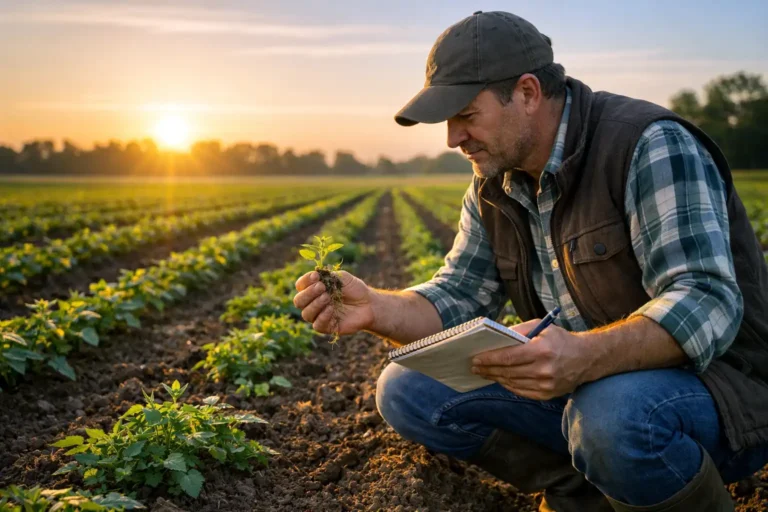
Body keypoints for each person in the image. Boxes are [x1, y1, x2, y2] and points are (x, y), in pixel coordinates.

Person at [292, 10, 768, 512]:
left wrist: (582, 356)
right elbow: (458, 294)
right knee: (407, 388)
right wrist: (375, 309)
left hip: (720, 392)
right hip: (587, 384)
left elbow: (705, 299)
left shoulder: (647, 144)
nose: (453, 138)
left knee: (611, 415)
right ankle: (584, 494)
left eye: (466, 115)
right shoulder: (494, 184)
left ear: (526, 93)